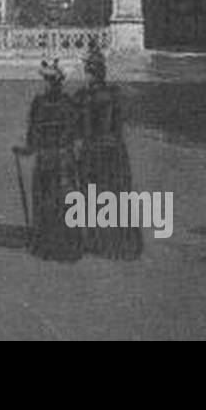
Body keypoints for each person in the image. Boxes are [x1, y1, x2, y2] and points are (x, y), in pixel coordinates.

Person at [74, 43, 142, 260]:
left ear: (89, 72)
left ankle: (96, 239)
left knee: (92, 193)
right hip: (114, 149)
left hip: (93, 149)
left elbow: (82, 128)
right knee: (117, 192)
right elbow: (118, 124)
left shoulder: (83, 96)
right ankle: (121, 240)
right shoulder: (114, 94)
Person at [13, 60, 82, 261]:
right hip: (64, 158)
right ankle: (69, 244)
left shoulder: (39, 104)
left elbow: (32, 139)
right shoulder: (69, 103)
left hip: (46, 159)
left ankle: (47, 244)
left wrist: (22, 151)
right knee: (65, 201)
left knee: (46, 201)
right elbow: (75, 133)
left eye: (47, 80)